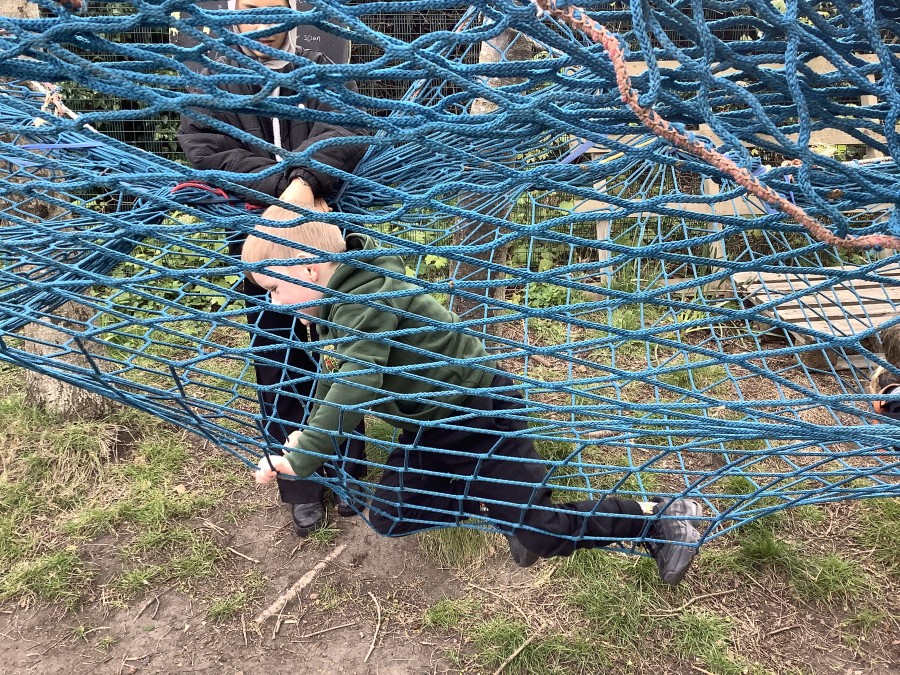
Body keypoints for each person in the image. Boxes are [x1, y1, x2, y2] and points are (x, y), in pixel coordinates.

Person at [241, 214, 704, 585]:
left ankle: (659, 516)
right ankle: (506, 510)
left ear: (308, 266)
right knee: (389, 515)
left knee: (543, 534)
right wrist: (307, 431)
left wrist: (305, 454)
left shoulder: (370, 297)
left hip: (481, 415)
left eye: (275, 289)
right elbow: (334, 374)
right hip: (432, 426)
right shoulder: (335, 306)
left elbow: (357, 380)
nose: (276, 304)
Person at [177, 0, 368, 537]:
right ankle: (301, 485)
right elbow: (204, 148)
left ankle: (351, 473)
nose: (261, 15)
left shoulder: (322, 62)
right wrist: (288, 188)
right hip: (258, 239)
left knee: (348, 350)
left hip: (330, 226)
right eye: (249, 5)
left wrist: (308, 183)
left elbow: (347, 127)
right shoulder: (212, 72)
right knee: (279, 356)